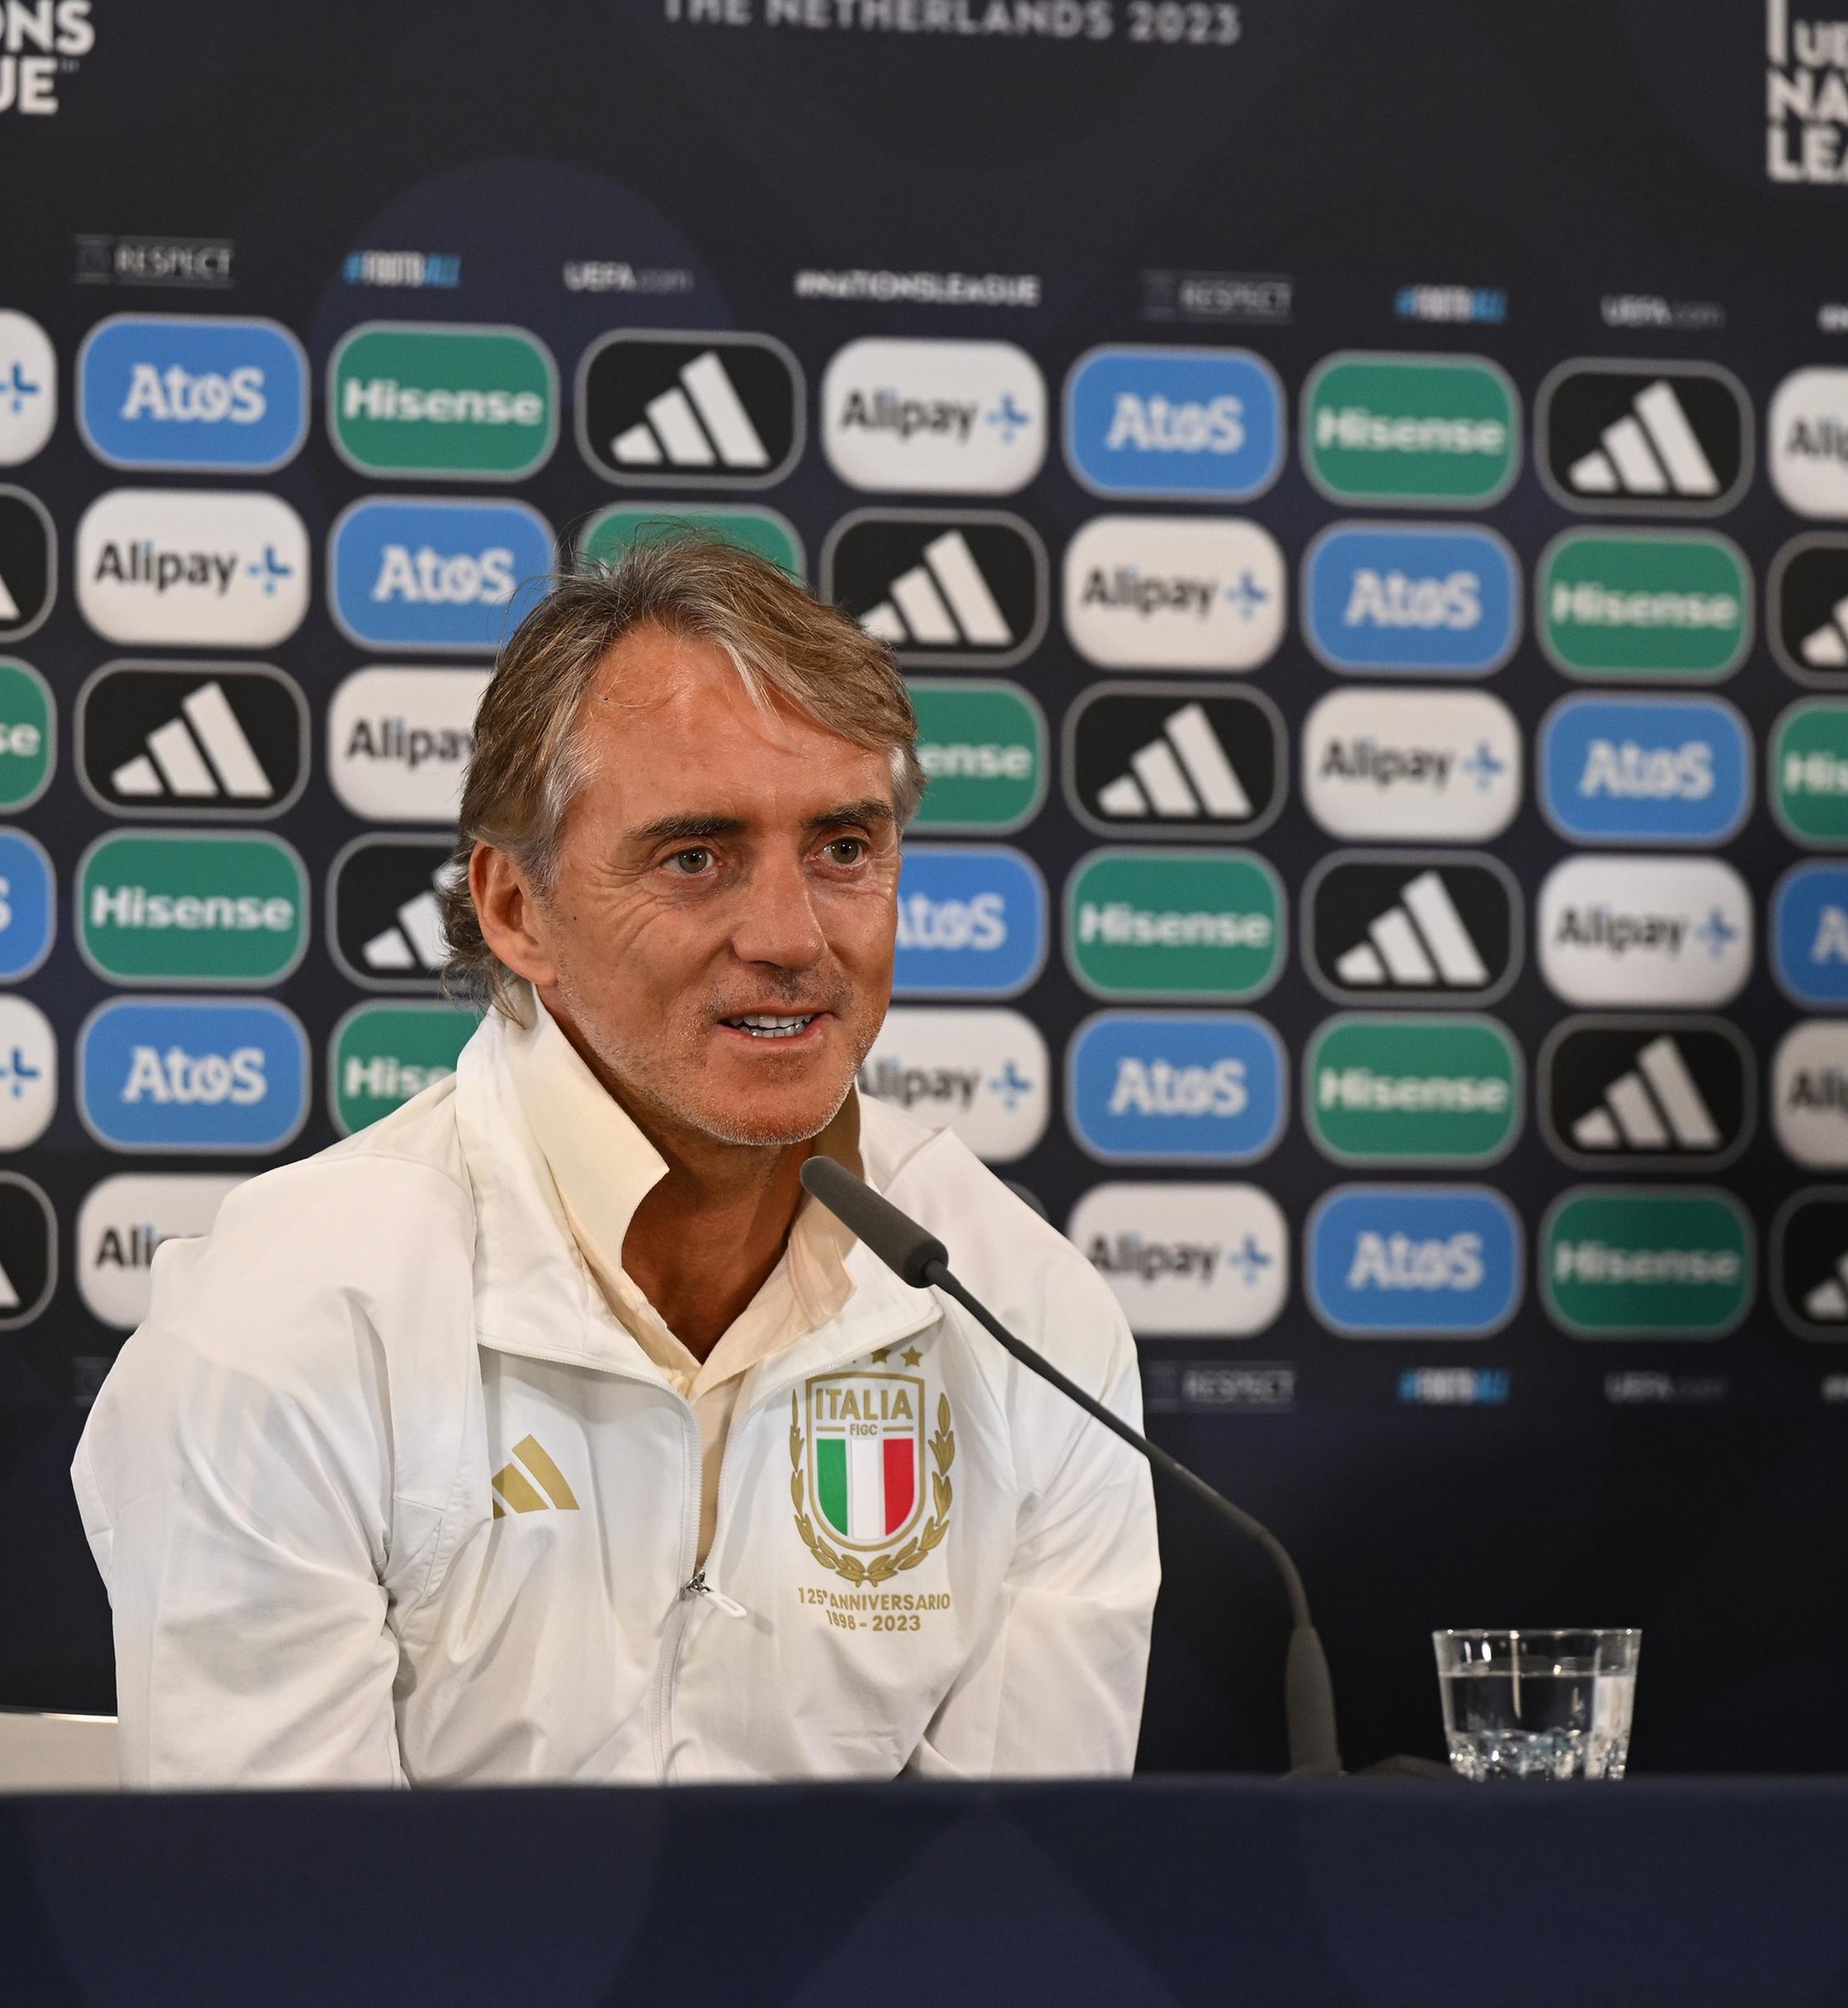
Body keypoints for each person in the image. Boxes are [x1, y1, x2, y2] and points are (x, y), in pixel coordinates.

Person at [73, 535, 1157, 1785]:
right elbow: (293, 1935)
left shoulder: (1027, 1319)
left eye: (844, 849)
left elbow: (1015, 1914)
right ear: (516, 909)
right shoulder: (289, 1325)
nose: (791, 934)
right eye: (696, 857)